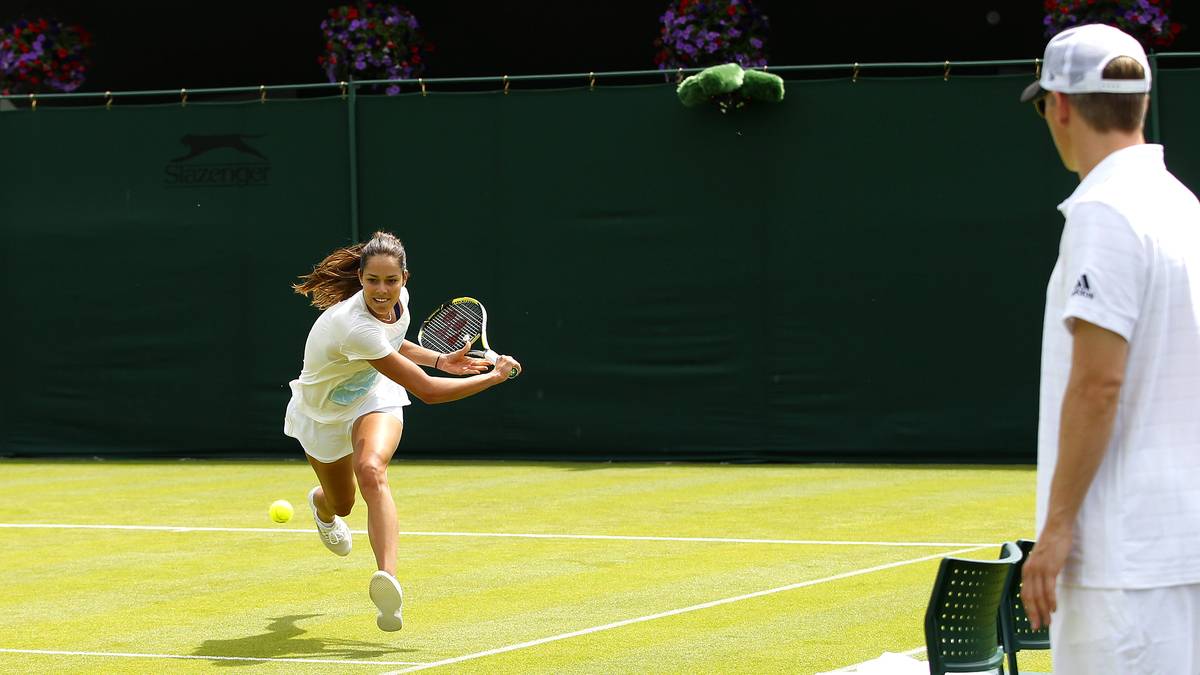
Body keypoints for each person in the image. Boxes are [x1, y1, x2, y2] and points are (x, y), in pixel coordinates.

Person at [1017, 23, 1200, 673]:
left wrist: (1056, 529)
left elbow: (1099, 382)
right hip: (1173, 547)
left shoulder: (1105, 211)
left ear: (1060, 106)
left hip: (1121, 562)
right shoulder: (1181, 206)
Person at [285, 231, 522, 631]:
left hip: (373, 394)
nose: (382, 290)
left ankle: (387, 580)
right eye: (373, 281)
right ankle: (322, 506)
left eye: (391, 280)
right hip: (322, 415)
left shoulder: (399, 302)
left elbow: (394, 342)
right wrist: (493, 378)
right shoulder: (352, 326)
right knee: (342, 504)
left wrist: (441, 360)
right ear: (360, 278)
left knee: (371, 469)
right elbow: (427, 391)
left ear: (404, 279)